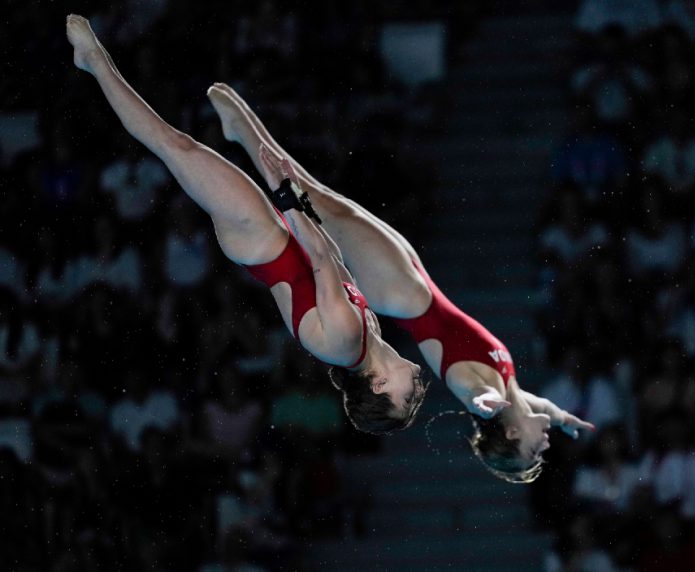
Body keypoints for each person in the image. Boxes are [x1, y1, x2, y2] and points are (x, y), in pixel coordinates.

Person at [207, 83, 596, 482]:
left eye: (535, 448)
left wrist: (483, 404)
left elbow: (482, 399)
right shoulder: (512, 391)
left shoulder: (478, 389)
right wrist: (565, 419)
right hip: (411, 284)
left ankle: (240, 132)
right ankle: (242, 130)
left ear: (511, 430)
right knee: (317, 195)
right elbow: (533, 406)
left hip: (399, 291)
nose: (545, 444)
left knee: (313, 197)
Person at [64, 15, 425, 434]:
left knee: (173, 145)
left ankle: (94, 60)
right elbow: (336, 260)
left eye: (408, 400)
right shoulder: (370, 334)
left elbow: (323, 261)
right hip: (278, 235)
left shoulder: (347, 344)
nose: (419, 391)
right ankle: (236, 128)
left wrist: (288, 197)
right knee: (184, 148)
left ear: (378, 384)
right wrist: (296, 204)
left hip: (259, 241)